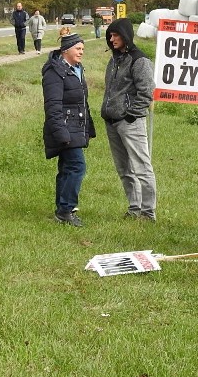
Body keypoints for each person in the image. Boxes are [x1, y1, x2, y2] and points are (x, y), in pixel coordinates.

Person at [100, 18, 158, 221]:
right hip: (112, 122)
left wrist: (131, 115)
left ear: (125, 36)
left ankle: (148, 212)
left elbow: (147, 91)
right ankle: (134, 208)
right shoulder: (114, 59)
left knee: (142, 167)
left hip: (130, 122)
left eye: (115, 35)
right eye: (110, 35)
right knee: (124, 168)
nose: (111, 38)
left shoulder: (139, 60)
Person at [41, 28, 96, 227]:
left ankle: (61, 210)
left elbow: (81, 102)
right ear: (66, 50)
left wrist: (87, 127)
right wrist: (61, 132)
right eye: (78, 48)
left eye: (82, 48)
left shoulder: (77, 69)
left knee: (66, 168)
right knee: (77, 166)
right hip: (65, 128)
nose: (81, 52)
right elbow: (53, 106)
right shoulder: (55, 72)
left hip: (75, 126)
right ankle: (66, 209)